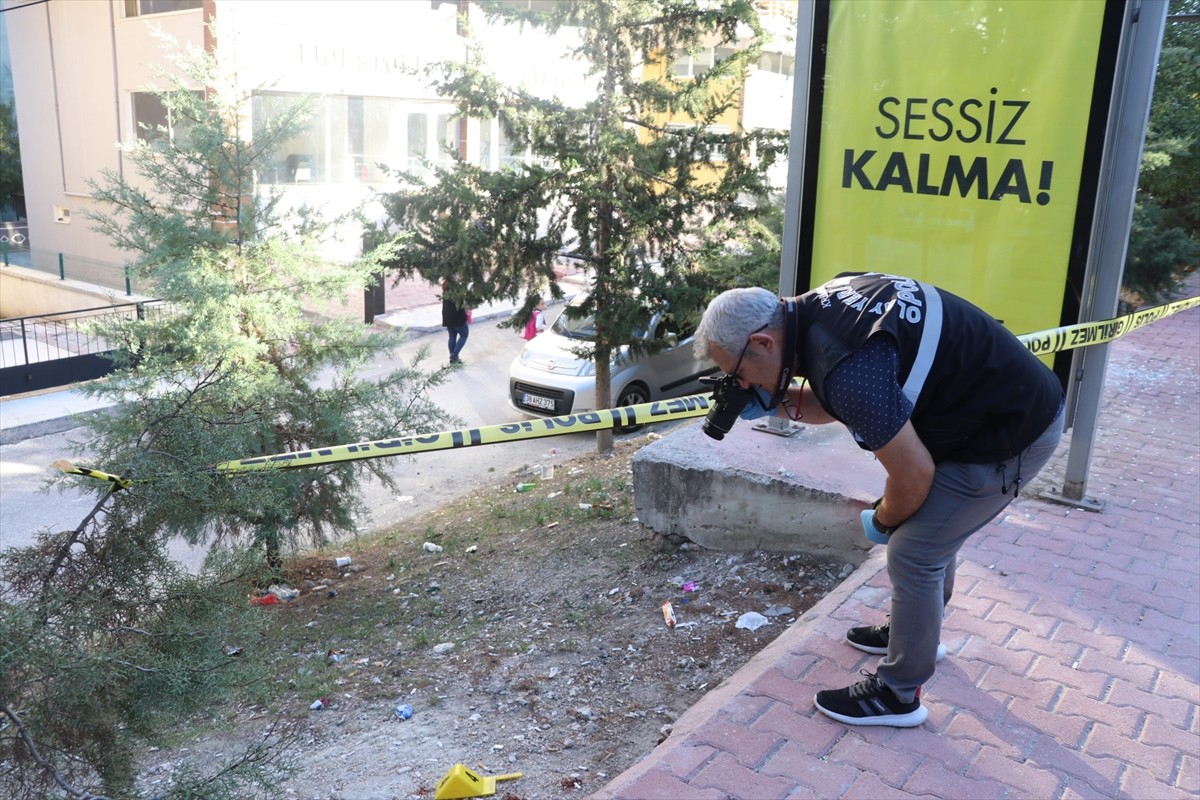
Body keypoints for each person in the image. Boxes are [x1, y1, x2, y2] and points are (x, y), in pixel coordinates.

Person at [692, 271, 1064, 728]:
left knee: (914, 550)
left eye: (738, 374)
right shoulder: (826, 306)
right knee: (928, 529)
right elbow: (833, 399)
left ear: (764, 343)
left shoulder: (848, 368)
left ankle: (898, 694)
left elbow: (913, 476)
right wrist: (777, 399)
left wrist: (883, 519)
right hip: (988, 406)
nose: (743, 385)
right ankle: (915, 631)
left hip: (1014, 430)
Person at [440, 278, 470, 365]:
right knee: (464, 335)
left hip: (447, 318)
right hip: (458, 318)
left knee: (452, 336)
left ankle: (453, 358)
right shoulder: (457, 294)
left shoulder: (445, 293)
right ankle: (454, 355)